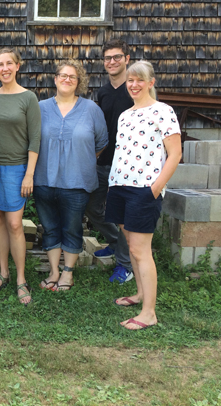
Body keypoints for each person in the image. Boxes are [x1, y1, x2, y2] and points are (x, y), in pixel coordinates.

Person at [106, 61, 181, 330]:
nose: (134, 85)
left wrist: (155, 188)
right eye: (130, 81)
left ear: (151, 82)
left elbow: (175, 154)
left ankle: (149, 312)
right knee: (130, 244)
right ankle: (139, 294)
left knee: (140, 249)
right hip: (120, 186)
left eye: (140, 80)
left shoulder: (163, 111)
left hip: (144, 189)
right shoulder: (125, 115)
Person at [34, 61, 108, 292]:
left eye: (72, 77)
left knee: (72, 227)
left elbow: (101, 142)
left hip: (77, 181)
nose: (67, 79)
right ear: (55, 79)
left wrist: (79, 157)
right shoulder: (40, 107)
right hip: (43, 179)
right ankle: (54, 271)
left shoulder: (91, 109)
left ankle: (68, 273)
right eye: (62, 75)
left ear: (79, 83)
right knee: (49, 226)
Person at [0, 48, 41, 305]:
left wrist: (29, 174)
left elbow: (35, 138)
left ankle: (21, 279)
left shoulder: (28, 98)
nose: (4, 68)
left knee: (15, 223)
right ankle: (3, 273)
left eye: (8, 64)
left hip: (16, 168)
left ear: (17, 66)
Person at [85, 39, 134, 283]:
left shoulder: (135, 90)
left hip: (128, 166)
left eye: (117, 57)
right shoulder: (103, 93)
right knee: (93, 208)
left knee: (123, 217)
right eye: (108, 58)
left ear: (127, 59)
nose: (112, 62)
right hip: (103, 162)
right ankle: (115, 243)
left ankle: (125, 265)